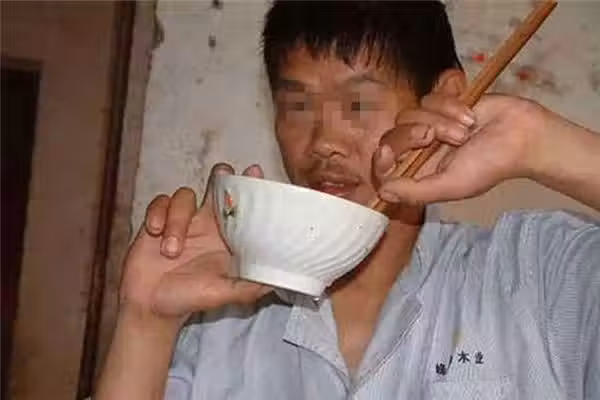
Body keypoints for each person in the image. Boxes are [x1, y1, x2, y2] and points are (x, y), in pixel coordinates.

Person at [95, 1, 600, 399]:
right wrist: (145, 323)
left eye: (358, 103)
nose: (323, 143)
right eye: (297, 105)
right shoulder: (221, 321)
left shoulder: (538, 274)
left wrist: (540, 142)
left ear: (447, 97)